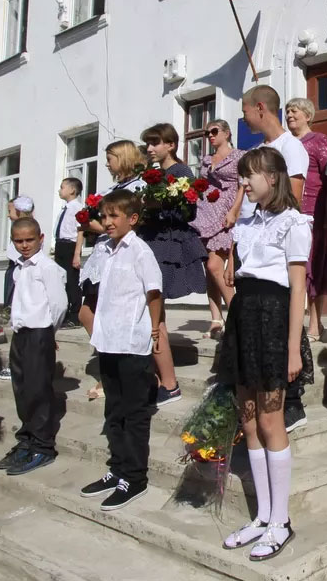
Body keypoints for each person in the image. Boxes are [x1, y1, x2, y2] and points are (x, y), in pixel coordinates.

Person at [217, 147, 314, 561]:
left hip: (273, 319)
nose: (244, 183)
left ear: (272, 177)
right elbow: (237, 269)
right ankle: (261, 517)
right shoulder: (248, 221)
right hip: (243, 316)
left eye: (250, 176)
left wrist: (294, 347)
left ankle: (281, 519)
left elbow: (297, 291)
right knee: (250, 420)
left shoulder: (294, 223)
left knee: (273, 421)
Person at [229, 85, 311, 430]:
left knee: (282, 315)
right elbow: (242, 198)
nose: (244, 117)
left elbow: (291, 195)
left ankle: (290, 399)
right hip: (252, 236)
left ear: (260, 108)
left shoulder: (291, 147)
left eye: (246, 110)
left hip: (276, 239)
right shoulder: (257, 151)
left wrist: (275, 226)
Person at [79, 189, 164, 511]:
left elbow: (154, 293)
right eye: (105, 216)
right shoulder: (108, 251)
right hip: (109, 342)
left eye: (115, 216)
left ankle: (135, 477)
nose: (108, 221)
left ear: (132, 219)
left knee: (134, 413)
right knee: (113, 411)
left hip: (132, 344)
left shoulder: (140, 252)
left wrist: (154, 329)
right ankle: (117, 470)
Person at [141, 122, 209, 406]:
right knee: (153, 314)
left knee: (156, 315)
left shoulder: (180, 173)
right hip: (154, 243)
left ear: (171, 144)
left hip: (167, 245)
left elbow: (187, 212)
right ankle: (160, 379)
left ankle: (169, 384)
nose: (149, 148)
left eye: (155, 142)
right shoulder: (155, 174)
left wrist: (155, 206)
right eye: (148, 143)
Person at [0, 217, 67, 476]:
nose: (24, 245)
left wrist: (49, 331)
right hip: (21, 333)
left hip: (39, 333)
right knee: (22, 388)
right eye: (18, 241)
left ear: (41, 238)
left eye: (29, 240)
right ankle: (27, 439)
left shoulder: (47, 267)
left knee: (38, 389)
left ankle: (43, 445)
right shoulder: (19, 268)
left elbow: (59, 304)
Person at [77, 140, 148, 401]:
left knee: (102, 314)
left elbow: (130, 224)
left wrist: (96, 225)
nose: (107, 163)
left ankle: (113, 372)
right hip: (102, 254)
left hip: (120, 254)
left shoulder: (138, 186)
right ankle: (109, 364)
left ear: (123, 157)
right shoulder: (114, 188)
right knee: (86, 313)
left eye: (110, 157)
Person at [285, 97, 327, 342]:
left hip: (313, 212)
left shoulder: (319, 141)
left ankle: (315, 324)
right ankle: (294, 321)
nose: (289, 115)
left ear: (307, 115)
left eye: (294, 111)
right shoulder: (285, 143)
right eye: (287, 112)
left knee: (313, 268)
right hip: (288, 212)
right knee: (292, 268)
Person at [188, 119, 243, 340]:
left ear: (227, 133)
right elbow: (202, 185)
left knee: (215, 265)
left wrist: (235, 212)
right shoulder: (206, 160)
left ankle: (237, 316)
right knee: (208, 270)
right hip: (204, 214)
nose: (210, 135)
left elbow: (243, 185)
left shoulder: (239, 156)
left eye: (214, 131)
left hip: (225, 214)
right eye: (206, 132)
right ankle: (215, 319)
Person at [53, 177, 85, 327]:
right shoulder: (64, 209)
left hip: (70, 246)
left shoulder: (77, 208)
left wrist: (77, 253)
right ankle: (63, 313)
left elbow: (80, 231)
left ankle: (75, 315)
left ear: (72, 190)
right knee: (60, 281)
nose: (60, 190)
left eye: (62, 187)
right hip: (60, 245)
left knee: (71, 280)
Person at [1, 195, 37, 313]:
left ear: (18, 211)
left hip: (21, 263)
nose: (8, 215)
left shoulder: (29, 227)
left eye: (10, 211)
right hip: (14, 263)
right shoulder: (16, 227)